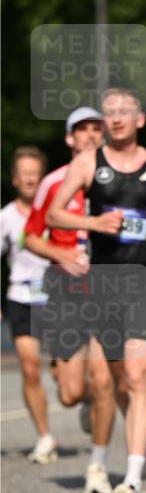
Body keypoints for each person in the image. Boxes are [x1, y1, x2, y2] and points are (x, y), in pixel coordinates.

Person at [45, 88, 146, 493]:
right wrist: (94, 222)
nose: (116, 119)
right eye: (109, 113)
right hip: (105, 281)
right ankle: (109, 432)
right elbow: (54, 214)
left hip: (145, 277)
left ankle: (132, 477)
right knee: (116, 379)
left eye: (124, 112)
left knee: (136, 377)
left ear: (140, 120)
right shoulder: (86, 163)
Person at [23, 110, 117, 493]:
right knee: (71, 393)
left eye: (98, 129)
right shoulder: (54, 182)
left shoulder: (117, 179)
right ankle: (81, 394)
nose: (92, 135)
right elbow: (30, 237)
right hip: (66, 293)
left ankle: (97, 466)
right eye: (83, 130)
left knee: (104, 378)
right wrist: (59, 255)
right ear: (69, 140)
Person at [1, 146, 55, 462]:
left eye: (35, 172)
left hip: (59, 298)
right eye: (24, 173)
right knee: (30, 368)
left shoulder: (56, 211)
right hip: (21, 297)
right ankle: (44, 435)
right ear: (14, 179)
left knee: (68, 382)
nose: (30, 178)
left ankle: (87, 397)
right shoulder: (6, 218)